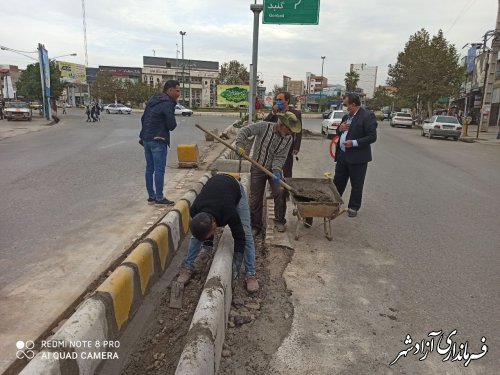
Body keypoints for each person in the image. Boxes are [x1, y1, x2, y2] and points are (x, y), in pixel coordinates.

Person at [177, 174, 259, 292]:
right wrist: (207, 245)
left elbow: (240, 238)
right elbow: (199, 234)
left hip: (234, 187)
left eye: (211, 233)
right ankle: (188, 266)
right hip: (214, 187)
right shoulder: (195, 210)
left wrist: (236, 264)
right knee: (195, 238)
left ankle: (250, 273)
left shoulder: (229, 212)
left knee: (246, 233)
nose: (211, 235)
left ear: (214, 223)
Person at [235, 111, 301, 234]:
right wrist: (239, 145)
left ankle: (279, 220)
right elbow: (244, 131)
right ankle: (256, 225)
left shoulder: (288, 139)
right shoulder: (264, 126)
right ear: (282, 125)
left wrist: (276, 171)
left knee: (280, 191)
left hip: (273, 170)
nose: (290, 132)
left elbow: (280, 157)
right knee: (255, 197)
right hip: (257, 167)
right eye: (289, 129)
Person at [333, 93, 377, 217]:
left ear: (353, 104)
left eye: (346, 105)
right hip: (342, 155)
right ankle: (334, 203)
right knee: (338, 181)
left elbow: (372, 137)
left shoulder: (367, 116)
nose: (345, 108)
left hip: (358, 158)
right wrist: (340, 129)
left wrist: (354, 143)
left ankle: (353, 207)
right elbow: (338, 132)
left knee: (356, 184)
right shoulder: (346, 117)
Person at [140, 79, 180, 205]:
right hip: (158, 140)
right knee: (159, 169)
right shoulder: (167, 103)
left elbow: (143, 118)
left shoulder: (153, 99)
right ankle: (159, 198)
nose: (179, 93)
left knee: (149, 168)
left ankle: (151, 196)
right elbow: (171, 125)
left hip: (146, 139)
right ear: (170, 90)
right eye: (177, 90)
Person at [264, 91, 303, 187]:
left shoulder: (295, 113)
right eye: (277, 100)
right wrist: (273, 112)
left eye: (280, 100)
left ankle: (286, 191)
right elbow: (264, 124)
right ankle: (275, 190)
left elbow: (298, 131)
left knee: (287, 170)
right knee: (273, 169)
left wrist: (296, 146)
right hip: (273, 146)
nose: (278, 102)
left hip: (288, 146)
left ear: (287, 101)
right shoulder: (275, 112)